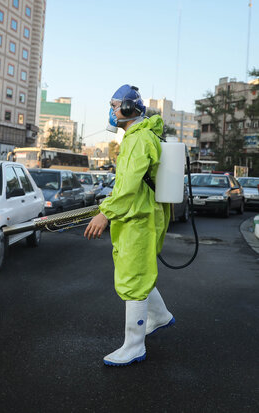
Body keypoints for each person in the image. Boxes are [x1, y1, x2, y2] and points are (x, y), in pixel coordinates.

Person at [84, 85, 173, 367]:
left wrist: (105, 213)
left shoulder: (138, 139)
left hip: (140, 217)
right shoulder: (140, 135)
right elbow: (126, 183)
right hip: (140, 214)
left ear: (128, 109)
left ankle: (134, 346)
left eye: (115, 105)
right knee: (139, 272)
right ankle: (160, 317)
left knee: (133, 278)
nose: (111, 111)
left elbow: (131, 185)